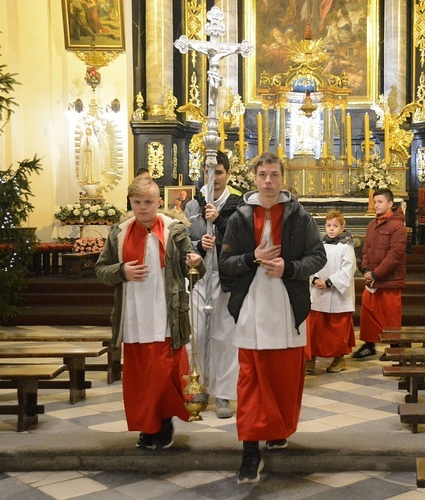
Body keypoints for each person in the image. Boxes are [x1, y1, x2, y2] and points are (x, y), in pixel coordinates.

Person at [219, 152, 326, 484]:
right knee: (251, 380)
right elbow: (226, 263)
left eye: (274, 175)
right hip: (251, 305)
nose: (268, 181)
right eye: (262, 174)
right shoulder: (239, 217)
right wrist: (252, 258)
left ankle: (277, 430)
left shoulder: (298, 215)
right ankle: (250, 451)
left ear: (282, 178)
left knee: (282, 377)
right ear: (254, 178)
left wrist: (289, 268)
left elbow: (318, 255)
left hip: (285, 306)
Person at [95, 173, 205, 450]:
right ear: (130, 202)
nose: (143, 207)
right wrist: (122, 271)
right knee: (139, 379)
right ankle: (147, 427)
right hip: (133, 317)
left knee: (162, 374)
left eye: (148, 201)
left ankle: (163, 422)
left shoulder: (173, 230)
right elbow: (101, 270)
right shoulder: (119, 233)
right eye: (137, 202)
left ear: (159, 202)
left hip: (164, 316)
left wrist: (195, 261)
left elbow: (190, 271)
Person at [183, 151, 242, 419]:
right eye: (209, 171)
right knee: (197, 333)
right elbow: (182, 240)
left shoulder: (239, 204)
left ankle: (225, 395)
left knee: (224, 337)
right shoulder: (193, 206)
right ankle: (199, 386)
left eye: (218, 172)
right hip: (199, 277)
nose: (214, 177)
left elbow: (242, 240)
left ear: (228, 174)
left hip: (227, 279)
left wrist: (218, 223)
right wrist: (196, 247)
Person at [352, 188, 407, 361]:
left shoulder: (397, 226)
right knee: (368, 312)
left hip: (388, 280)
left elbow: (394, 256)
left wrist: (376, 274)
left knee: (390, 314)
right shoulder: (372, 225)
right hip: (373, 279)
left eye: (380, 202)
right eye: (375, 202)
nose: (376, 205)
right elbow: (366, 250)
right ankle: (369, 345)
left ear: (390, 204)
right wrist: (366, 270)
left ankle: (394, 346)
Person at [306, 210, 357, 374]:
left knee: (337, 330)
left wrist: (329, 282)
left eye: (335, 226)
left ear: (343, 227)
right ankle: (310, 359)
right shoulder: (319, 244)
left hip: (337, 295)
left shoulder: (346, 247)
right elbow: (311, 261)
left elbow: (348, 269)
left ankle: (339, 359)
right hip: (319, 293)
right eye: (328, 225)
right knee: (316, 329)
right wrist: (314, 279)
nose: (331, 229)